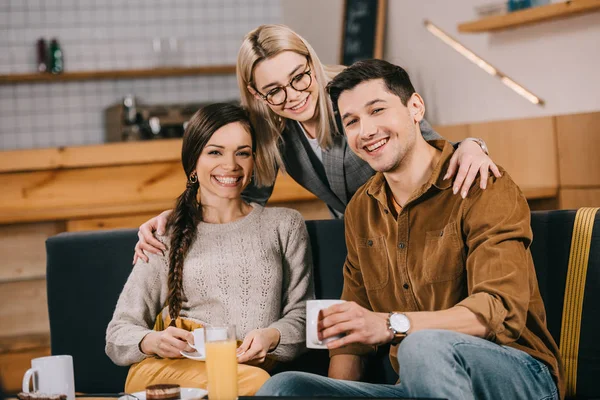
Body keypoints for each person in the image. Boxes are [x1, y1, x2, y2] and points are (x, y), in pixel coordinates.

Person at [257, 60, 563, 399]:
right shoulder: (362, 209)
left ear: (415, 107)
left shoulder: (480, 184)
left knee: (421, 347)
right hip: (418, 386)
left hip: (518, 375)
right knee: (285, 388)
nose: (367, 130)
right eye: (352, 121)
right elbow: (351, 339)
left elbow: (498, 311)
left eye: (377, 111)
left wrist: (390, 324)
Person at [132, 24, 500, 263]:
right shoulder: (271, 128)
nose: (292, 97)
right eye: (274, 91)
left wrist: (472, 144)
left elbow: (426, 144)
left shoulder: (353, 92)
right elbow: (241, 201)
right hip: (362, 242)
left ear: (311, 61)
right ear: (255, 94)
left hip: (422, 230)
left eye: (299, 78)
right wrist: (180, 218)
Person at [105, 103, 314, 395]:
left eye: (242, 152)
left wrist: (273, 336)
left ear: (254, 160)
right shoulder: (165, 234)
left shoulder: (285, 225)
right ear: (193, 163)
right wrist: (153, 341)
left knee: (260, 384)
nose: (231, 165)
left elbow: (303, 316)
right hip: (169, 372)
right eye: (215, 152)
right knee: (259, 385)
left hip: (246, 375)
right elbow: (118, 333)